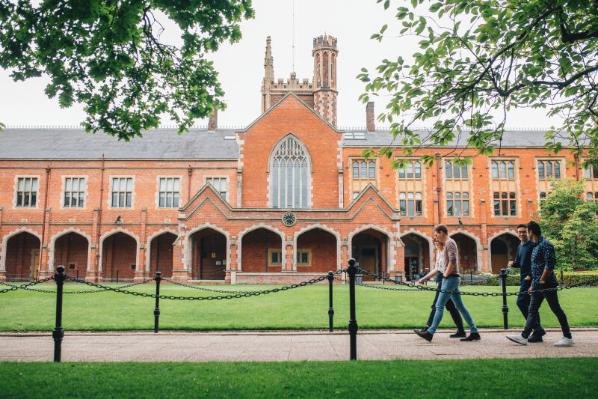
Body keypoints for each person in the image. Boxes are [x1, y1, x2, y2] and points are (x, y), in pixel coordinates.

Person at [507, 221, 574, 347]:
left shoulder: (545, 244)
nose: (526, 233)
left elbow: (550, 264)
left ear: (531, 231)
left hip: (548, 284)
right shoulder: (535, 246)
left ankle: (568, 336)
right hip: (538, 284)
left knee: (556, 309)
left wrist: (542, 279)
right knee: (532, 310)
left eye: (527, 231)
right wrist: (533, 284)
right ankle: (524, 336)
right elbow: (534, 268)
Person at [414, 225, 480, 342]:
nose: (435, 237)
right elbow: (437, 269)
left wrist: (445, 275)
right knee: (460, 306)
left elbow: (453, 261)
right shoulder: (445, 246)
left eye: (436, 234)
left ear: (442, 232)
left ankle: (430, 332)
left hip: (450, 278)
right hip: (450, 278)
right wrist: (424, 279)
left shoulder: (450, 243)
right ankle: (474, 332)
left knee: (439, 306)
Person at [417, 239, 466, 338]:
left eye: (437, 243)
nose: (435, 245)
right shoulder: (439, 253)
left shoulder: (445, 253)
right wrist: (424, 279)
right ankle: (461, 331)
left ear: (441, 243)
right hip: (442, 279)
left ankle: (428, 329)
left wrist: (445, 277)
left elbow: (448, 266)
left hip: (445, 280)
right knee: (451, 307)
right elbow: (436, 269)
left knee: (436, 305)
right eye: (434, 243)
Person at [508, 224, 546, 342]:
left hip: (530, 279)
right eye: (519, 232)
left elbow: (536, 262)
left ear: (528, 232)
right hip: (524, 278)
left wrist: (530, 276)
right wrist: (513, 264)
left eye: (524, 232)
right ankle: (537, 334)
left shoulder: (532, 245)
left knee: (521, 302)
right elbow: (520, 263)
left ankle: (537, 329)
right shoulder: (520, 246)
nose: (521, 234)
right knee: (532, 306)